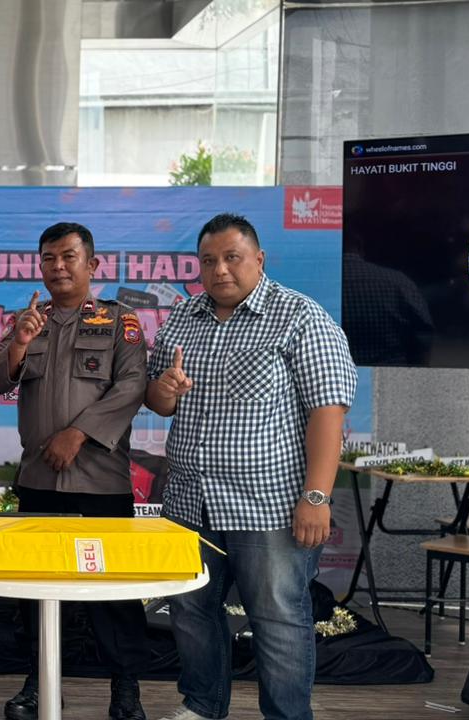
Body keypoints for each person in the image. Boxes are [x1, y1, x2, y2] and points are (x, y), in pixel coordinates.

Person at [145, 214, 356, 720]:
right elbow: (158, 400)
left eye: (231, 258)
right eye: (208, 261)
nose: (219, 270)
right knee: (191, 611)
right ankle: (202, 706)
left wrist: (316, 497)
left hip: (268, 507)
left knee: (278, 619)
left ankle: (286, 715)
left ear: (259, 259)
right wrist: (165, 391)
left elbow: (328, 411)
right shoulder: (182, 318)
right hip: (190, 503)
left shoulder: (300, 317)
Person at [0, 222, 150, 720]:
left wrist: (77, 434)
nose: (58, 266)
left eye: (68, 257)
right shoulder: (27, 321)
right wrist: (19, 344)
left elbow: (132, 385)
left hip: (101, 484)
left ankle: (126, 690)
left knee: (114, 595)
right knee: (36, 592)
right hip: (39, 482)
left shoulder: (120, 322)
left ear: (92, 264)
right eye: (49, 258)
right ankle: (40, 683)